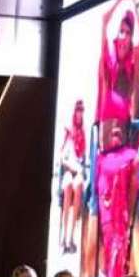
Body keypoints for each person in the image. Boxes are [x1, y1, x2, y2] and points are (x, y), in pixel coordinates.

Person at [94, 0, 139, 277]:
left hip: (124, 159)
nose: (123, 37)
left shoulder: (130, 74)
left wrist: (135, 1)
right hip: (107, 162)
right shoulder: (108, 71)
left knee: (122, 236)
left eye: (127, 32)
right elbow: (103, 21)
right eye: (120, 32)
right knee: (112, 236)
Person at [58, 99, 86, 254]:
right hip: (68, 168)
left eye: (82, 111)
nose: (80, 113)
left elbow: (84, 156)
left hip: (78, 169)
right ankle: (63, 236)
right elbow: (61, 156)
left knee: (79, 185)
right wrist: (70, 165)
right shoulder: (68, 130)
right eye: (78, 110)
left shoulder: (83, 132)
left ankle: (71, 236)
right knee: (68, 185)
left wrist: (79, 168)